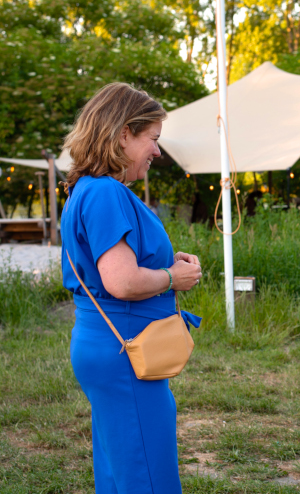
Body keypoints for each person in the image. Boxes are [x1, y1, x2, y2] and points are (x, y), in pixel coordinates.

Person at [61, 83, 203, 494]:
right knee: (147, 477)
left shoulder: (86, 188)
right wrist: (173, 278)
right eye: (152, 139)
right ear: (124, 133)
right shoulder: (106, 191)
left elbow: (112, 262)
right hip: (126, 351)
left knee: (120, 471)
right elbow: (121, 281)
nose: (157, 152)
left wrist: (165, 262)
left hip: (111, 346)